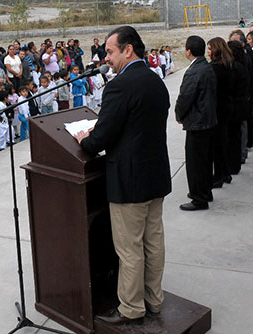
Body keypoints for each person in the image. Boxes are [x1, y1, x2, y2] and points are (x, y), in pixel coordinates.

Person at [73, 26, 171, 325]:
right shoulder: (155, 81)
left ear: (128, 50)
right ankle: (154, 300)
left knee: (129, 250)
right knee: (153, 243)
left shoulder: (120, 85)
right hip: (155, 176)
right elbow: (137, 126)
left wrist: (84, 139)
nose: (107, 57)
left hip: (129, 182)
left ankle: (131, 308)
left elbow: (100, 138)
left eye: (111, 51)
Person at [175, 35, 217, 211]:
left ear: (188, 51)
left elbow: (185, 97)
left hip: (197, 122)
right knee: (206, 161)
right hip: (208, 120)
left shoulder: (193, 71)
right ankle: (205, 191)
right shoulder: (206, 67)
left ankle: (199, 198)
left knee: (195, 163)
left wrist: (179, 114)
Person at [207, 37, 235, 188]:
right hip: (226, 106)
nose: (208, 52)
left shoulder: (216, 68)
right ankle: (224, 172)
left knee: (217, 144)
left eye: (210, 49)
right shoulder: (228, 64)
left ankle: (218, 176)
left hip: (218, 108)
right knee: (222, 141)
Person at [227, 40, 250, 174]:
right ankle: (236, 163)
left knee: (233, 137)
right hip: (241, 104)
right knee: (237, 135)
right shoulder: (242, 65)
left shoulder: (234, 67)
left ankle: (233, 164)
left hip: (235, 105)